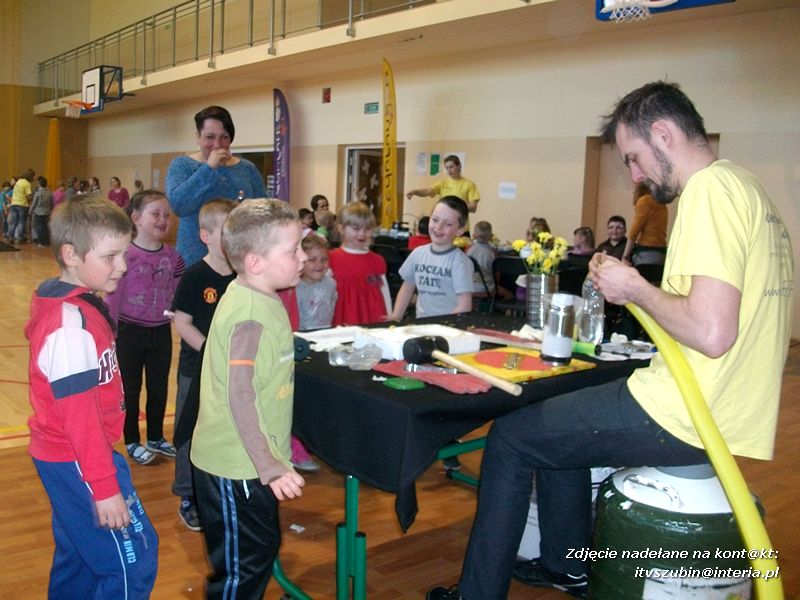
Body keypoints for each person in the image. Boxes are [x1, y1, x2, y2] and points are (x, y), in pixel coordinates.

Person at [426, 81, 794, 600]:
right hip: (726, 406)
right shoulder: (747, 188)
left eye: (635, 158)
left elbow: (712, 333)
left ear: (663, 134)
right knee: (558, 429)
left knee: (511, 437)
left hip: (686, 409)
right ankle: (565, 566)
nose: (636, 176)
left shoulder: (709, 192)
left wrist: (635, 289)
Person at [26, 197, 158, 599]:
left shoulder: (80, 304)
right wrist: (104, 487)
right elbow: (79, 416)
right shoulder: (70, 326)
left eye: (124, 253)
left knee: (80, 557)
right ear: (70, 255)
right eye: (111, 256)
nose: (122, 265)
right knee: (132, 564)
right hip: (78, 458)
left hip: (73, 456)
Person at [191, 199, 306, 599]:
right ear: (256, 262)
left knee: (259, 550)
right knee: (242, 569)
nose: (303, 257)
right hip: (237, 466)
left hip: (250, 462)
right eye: (293, 250)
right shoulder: (250, 315)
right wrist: (270, 465)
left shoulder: (256, 294)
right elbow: (240, 396)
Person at [170, 198, 237, 531]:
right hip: (196, 369)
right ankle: (188, 494)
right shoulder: (196, 275)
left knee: (221, 427)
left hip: (232, 369)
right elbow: (182, 322)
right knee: (189, 430)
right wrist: (211, 351)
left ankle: (215, 486)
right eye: (225, 231)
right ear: (205, 235)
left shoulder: (243, 277)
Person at [105, 190, 185, 465]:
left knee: (159, 387)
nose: (163, 220)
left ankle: (155, 436)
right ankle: (131, 439)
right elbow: (113, 296)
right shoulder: (125, 254)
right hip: (128, 332)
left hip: (160, 331)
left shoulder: (174, 258)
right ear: (136, 218)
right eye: (156, 214)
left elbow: (177, 291)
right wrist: (110, 333)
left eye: (167, 215)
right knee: (130, 388)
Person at [166, 105, 266, 266]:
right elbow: (179, 205)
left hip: (237, 259)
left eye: (224, 137)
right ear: (198, 137)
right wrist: (208, 167)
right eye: (210, 137)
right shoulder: (182, 165)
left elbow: (262, 212)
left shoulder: (246, 168)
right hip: (194, 260)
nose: (217, 144)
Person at [390, 196, 474, 320]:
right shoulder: (418, 254)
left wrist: (443, 327)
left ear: (460, 230)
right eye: (435, 220)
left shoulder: (460, 263)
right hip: (421, 324)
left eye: (448, 224)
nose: (438, 227)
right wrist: (396, 316)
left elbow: (464, 305)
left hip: (449, 329)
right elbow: (407, 288)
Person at [329, 201, 391, 325]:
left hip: (373, 320)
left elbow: (384, 292)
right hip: (342, 321)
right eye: (355, 229)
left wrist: (389, 317)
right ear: (341, 228)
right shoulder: (331, 259)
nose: (362, 234)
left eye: (367, 229)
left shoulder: (377, 260)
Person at [406, 155, 481, 214]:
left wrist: (454, 206)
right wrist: (415, 192)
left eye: (451, 167)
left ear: (459, 166)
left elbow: (473, 208)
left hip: (461, 226)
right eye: (447, 168)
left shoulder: (469, 184)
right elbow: (428, 191)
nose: (449, 171)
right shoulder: (442, 183)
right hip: (444, 225)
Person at [297, 233, 338, 331]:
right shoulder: (295, 288)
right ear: (300, 261)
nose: (319, 265)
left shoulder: (331, 284)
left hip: (325, 335)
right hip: (302, 336)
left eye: (324, 259)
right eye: (312, 260)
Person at [622, 181, 668, 266]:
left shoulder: (644, 201)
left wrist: (625, 256)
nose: (633, 191)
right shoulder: (661, 203)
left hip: (646, 251)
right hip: (661, 251)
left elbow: (634, 230)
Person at [466, 220, 496, 297]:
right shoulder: (491, 253)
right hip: (487, 288)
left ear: (474, 235)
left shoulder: (469, 251)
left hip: (469, 287)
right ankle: (493, 308)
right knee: (509, 294)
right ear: (491, 236)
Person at [8, 168, 34, 244]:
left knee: (14, 222)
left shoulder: (18, 182)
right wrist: (32, 199)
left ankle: (10, 237)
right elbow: (28, 196)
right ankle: (19, 238)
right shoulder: (27, 184)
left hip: (14, 204)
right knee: (21, 222)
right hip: (22, 205)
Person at [30, 176, 53, 246]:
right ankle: (47, 241)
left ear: (39, 184)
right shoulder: (49, 193)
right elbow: (51, 203)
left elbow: (34, 203)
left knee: (39, 227)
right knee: (46, 227)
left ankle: (41, 242)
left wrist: (30, 211)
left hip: (38, 212)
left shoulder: (37, 193)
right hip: (47, 212)